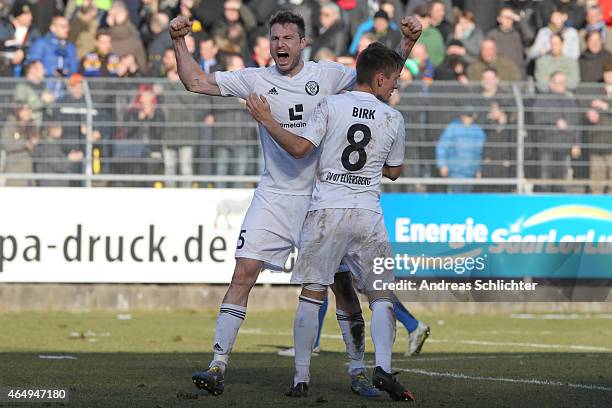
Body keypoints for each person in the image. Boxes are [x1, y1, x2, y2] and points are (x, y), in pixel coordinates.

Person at [169, 9, 421, 397]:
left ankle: (356, 373)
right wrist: (178, 40)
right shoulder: (254, 80)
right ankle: (218, 364)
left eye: (288, 38)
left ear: (302, 43)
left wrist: (406, 44)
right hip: (274, 196)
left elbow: (377, 78)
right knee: (243, 272)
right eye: (275, 38)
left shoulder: (328, 75)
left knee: (343, 288)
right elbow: (195, 81)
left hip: (320, 199)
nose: (280, 45)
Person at [245, 42, 415, 401]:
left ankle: (302, 377)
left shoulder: (330, 104)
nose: (397, 86)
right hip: (368, 214)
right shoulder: (392, 118)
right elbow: (396, 171)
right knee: (381, 295)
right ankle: (382, 367)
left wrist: (267, 120)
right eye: (395, 79)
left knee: (312, 293)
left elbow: (300, 148)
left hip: (327, 210)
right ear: (380, 78)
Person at [436, 106, 486, 193]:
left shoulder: (478, 131)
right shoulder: (452, 128)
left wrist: (478, 169)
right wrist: (442, 165)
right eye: (465, 115)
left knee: (467, 199)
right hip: (455, 172)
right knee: (454, 198)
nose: (467, 118)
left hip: (470, 173)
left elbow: (479, 153)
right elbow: (442, 147)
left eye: (470, 116)